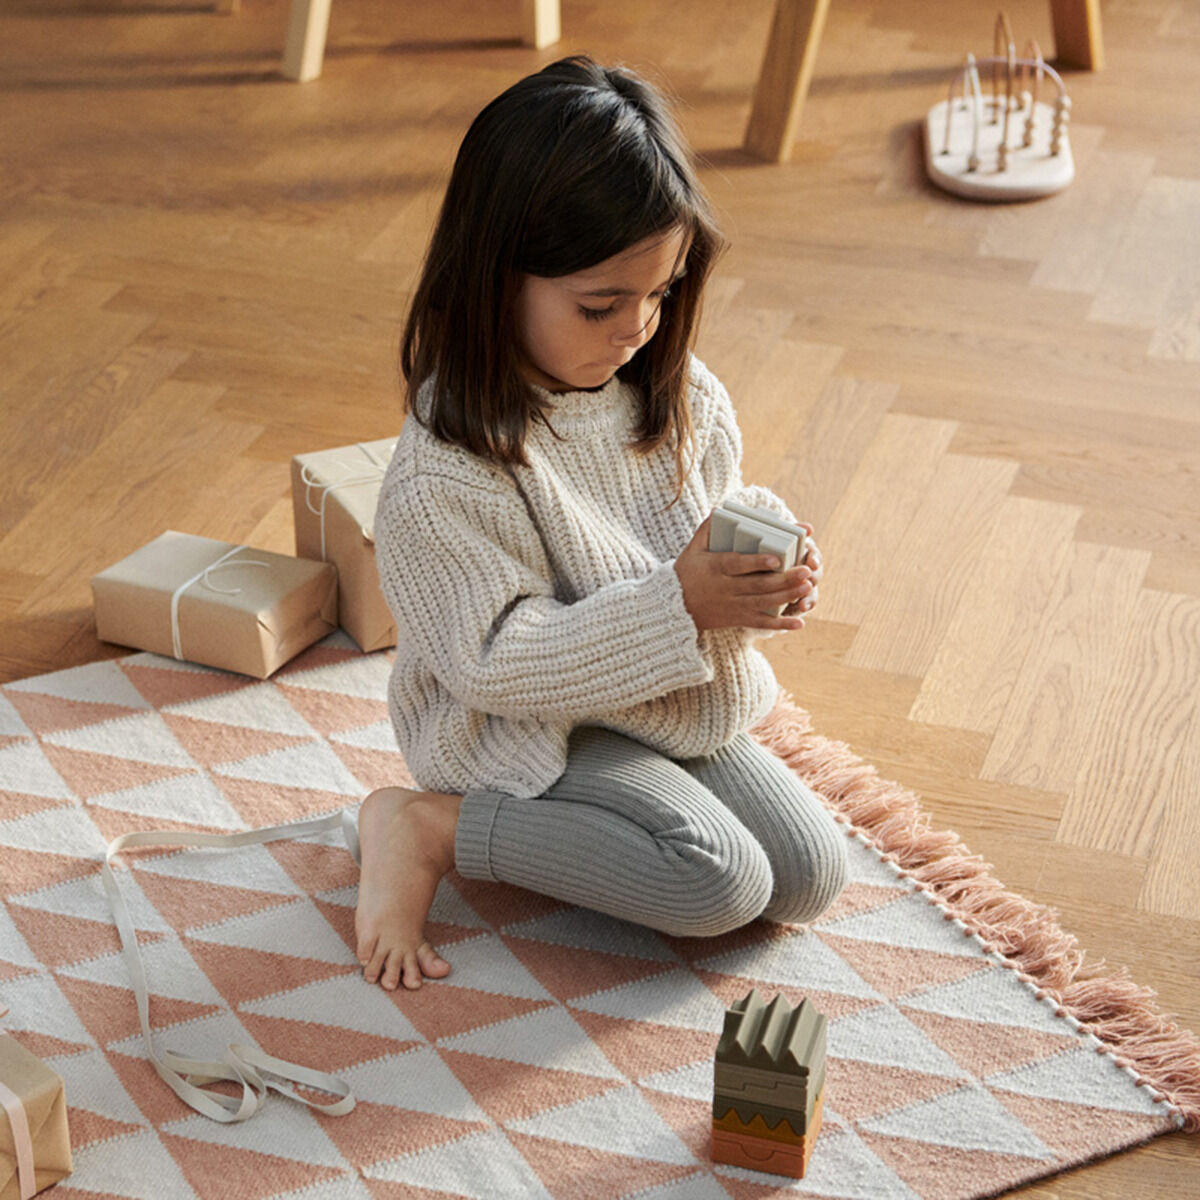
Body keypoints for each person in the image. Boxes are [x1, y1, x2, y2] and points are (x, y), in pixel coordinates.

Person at [356, 56, 848, 992]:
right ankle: (422, 826)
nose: (639, 327)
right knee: (718, 881)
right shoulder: (444, 473)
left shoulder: (677, 392)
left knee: (811, 876)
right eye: (601, 304)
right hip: (516, 725)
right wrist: (682, 607)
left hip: (652, 700)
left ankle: (621, 800)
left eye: (660, 294)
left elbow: (706, 513)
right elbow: (494, 663)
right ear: (499, 278)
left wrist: (763, 564)